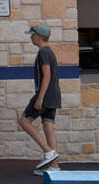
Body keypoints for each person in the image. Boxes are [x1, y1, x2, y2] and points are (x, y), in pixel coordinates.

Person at [18, 24, 64, 172]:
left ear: (39, 36)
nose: (31, 37)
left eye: (32, 35)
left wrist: (40, 98)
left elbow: (47, 76)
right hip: (54, 96)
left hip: (45, 95)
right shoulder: (49, 52)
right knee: (48, 127)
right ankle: (54, 166)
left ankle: (48, 151)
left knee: (24, 121)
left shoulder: (43, 53)